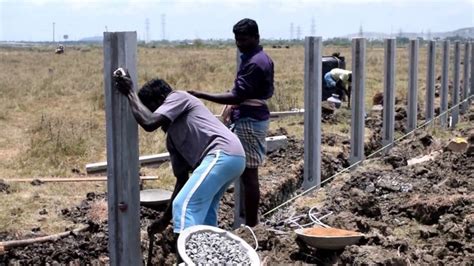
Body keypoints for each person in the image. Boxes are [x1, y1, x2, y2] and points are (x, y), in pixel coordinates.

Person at [113, 68, 246, 243]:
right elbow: (182, 181)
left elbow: (149, 122)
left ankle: (186, 258)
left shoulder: (178, 96)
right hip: (231, 158)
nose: (154, 114)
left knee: (184, 206)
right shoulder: (173, 139)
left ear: (162, 101)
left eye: (153, 109)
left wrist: (130, 92)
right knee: (205, 214)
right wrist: (163, 221)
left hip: (222, 153)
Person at [188, 18, 274, 227]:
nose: (240, 44)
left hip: (249, 120)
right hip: (251, 116)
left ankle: (253, 226)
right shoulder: (259, 58)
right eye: (237, 40)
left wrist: (200, 94)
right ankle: (249, 223)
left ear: (256, 37)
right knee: (246, 173)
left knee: (250, 174)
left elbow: (236, 96)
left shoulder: (254, 63)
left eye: (244, 40)